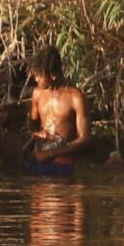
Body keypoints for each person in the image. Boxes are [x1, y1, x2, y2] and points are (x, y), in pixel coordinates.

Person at [23, 46, 90, 176]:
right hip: (38, 156)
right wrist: (38, 133)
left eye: (39, 75)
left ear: (53, 75)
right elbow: (32, 124)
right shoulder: (37, 93)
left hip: (61, 161)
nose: (36, 79)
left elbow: (85, 138)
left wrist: (49, 154)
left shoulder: (76, 97)